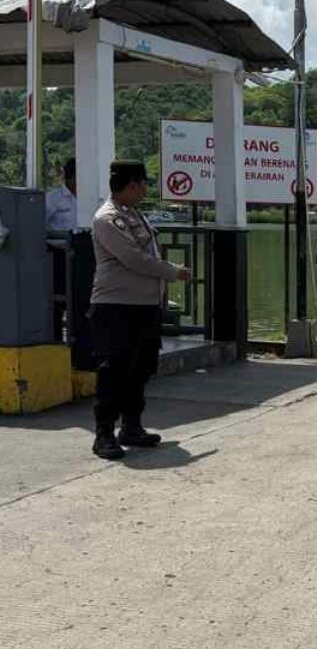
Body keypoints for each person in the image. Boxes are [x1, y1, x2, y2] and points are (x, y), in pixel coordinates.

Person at [88, 160, 191, 461]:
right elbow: (133, 259)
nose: (146, 189)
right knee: (114, 370)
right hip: (115, 306)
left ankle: (131, 427)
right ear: (132, 184)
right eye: (144, 183)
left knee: (141, 367)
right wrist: (173, 271)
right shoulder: (107, 219)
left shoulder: (134, 214)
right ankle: (104, 433)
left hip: (144, 306)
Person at [45, 157, 77, 231]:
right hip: (60, 241)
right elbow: (37, 224)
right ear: (71, 177)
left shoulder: (88, 199)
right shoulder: (52, 198)